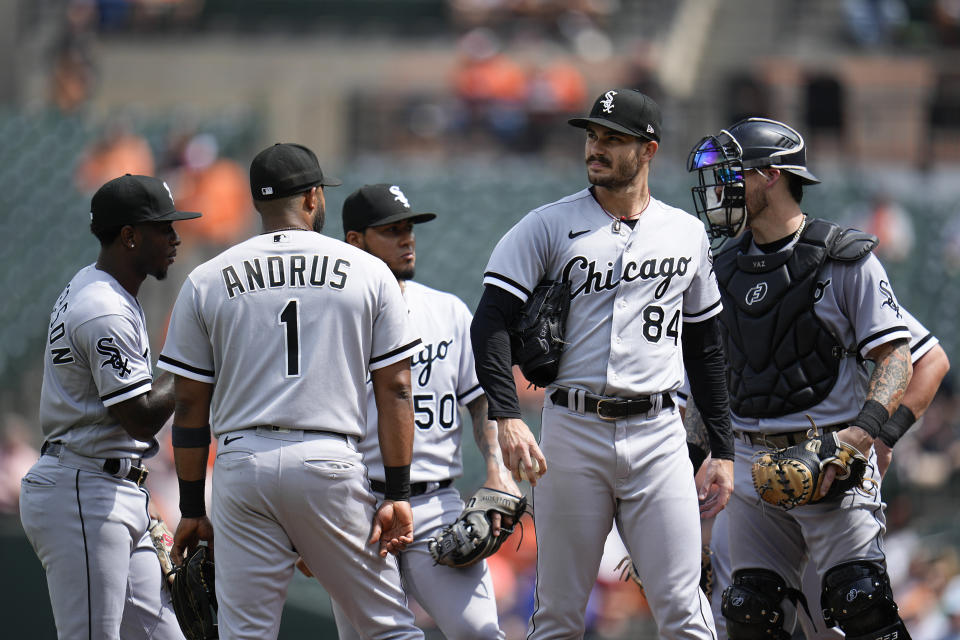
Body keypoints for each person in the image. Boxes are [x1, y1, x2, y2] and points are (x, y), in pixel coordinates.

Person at [471, 88, 734, 639]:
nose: (597, 147)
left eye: (614, 139)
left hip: (659, 433)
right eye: (593, 136)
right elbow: (490, 323)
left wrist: (723, 450)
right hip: (572, 431)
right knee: (559, 614)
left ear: (649, 150)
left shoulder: (685, 233)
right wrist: (507, 415)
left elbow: (706, 347)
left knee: (685, 610)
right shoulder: (546, 225)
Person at [157, 144, 425, 640]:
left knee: (245, 635)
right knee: (388, 629)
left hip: (240, 465)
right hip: (328, 459)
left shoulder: (207, 278)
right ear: (312, 198)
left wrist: (193, 507)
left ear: (258, 203)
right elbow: (397, 388)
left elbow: (190, 404)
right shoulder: (368, 271)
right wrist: (399, 492)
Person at [688, 117, 917, 639]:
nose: (721, 189)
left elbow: (897, 356)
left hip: (830, 459)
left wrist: (861, 435)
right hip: (748, 461)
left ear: (770, 175)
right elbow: (711, 384)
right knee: (748, 612)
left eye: (732, 175)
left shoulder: (843, 258)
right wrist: (689, 471)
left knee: (860, 603)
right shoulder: (718, 270)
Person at [321, 183, 521, 639]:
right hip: (357, 507)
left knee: (481, 632)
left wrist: (496, 468)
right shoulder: (331, 320)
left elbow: (481, 401)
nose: (408, 239)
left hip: (435, 503)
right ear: (355, 241)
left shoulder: (447, 310)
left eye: (410, 229)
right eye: (392, 230)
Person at [680, 307, 949, 638]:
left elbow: (930, 359)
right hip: (750, 485)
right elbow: (693, 400)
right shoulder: (723, 280)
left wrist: (881, 436)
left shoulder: (834, 271)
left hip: (827, 481)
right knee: (743, 615)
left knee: (847, 616)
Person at [19, 174, 200, 640]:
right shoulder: (101, 306)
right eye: (164, 228)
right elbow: (139, 417)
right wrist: (197, 363)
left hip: (111, 484)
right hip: (83, 489)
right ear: (130, 235)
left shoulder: (103, 289)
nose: (175, 238)